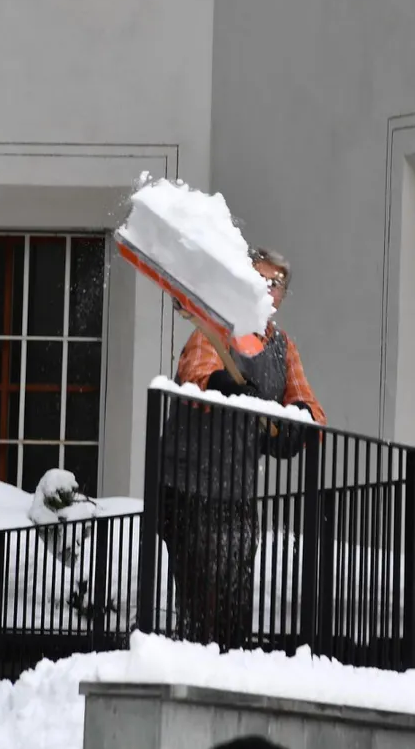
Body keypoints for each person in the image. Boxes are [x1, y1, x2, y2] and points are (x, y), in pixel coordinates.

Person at [159, 247, 326, 650]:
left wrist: (296, 423)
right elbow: (194, 377)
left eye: (277, 282)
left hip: (236, 491)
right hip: (187, 485)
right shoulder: (213, 329)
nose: (268, 288)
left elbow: (312, 409)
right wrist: (226, 388)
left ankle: (228, 664)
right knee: (200, 594)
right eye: (260, 279)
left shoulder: (283, 347)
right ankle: (195, 663)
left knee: (235, 598)